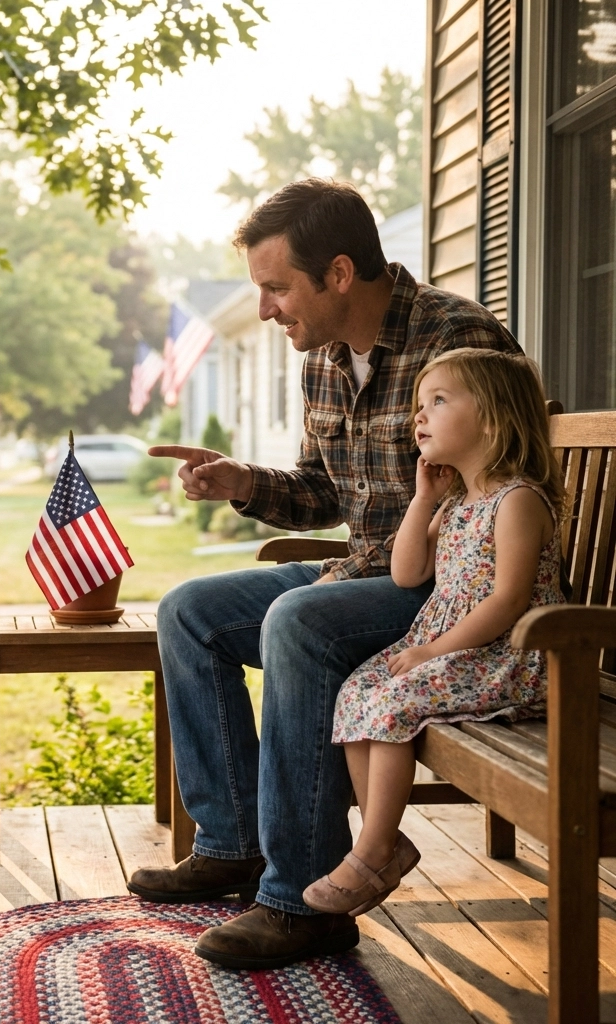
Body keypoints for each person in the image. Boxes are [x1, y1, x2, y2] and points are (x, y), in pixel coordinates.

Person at [129, 178, 521, 971]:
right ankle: (233, 842)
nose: (268, 308)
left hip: (450, 588)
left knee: (299, 620)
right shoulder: (325, 361)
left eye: (277, 288)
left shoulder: (457, 341)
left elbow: (513, 478)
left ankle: (298, 901)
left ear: (338, 273)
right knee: (188, 611)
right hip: (368, 571)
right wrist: (242, 482)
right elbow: (321, 493)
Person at [302, 348, 565, 916]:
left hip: (509, 656)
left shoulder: (515, 500)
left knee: (393, 704)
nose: (418, 416)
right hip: (460, 655)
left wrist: (433, 650)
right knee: (358, 690)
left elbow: (510, 600)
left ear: (492, 417)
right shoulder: (456, 501)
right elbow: (407, 572)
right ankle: (385, 841)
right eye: (420, 404)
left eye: (438, 402)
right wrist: (422, 499)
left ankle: (370, 852)